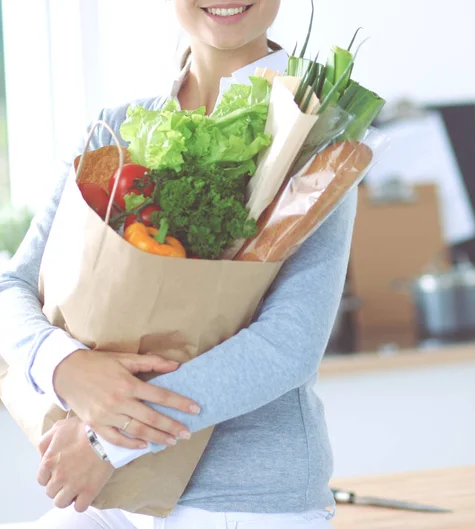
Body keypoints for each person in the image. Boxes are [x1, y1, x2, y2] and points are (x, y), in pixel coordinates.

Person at [0, 1, 357, 527]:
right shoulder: (114, 130)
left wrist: (105, 440)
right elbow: (13, 285)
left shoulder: (316, 141)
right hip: (110, 500)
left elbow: (289, 344)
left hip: (242, 499)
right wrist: (63, 366)